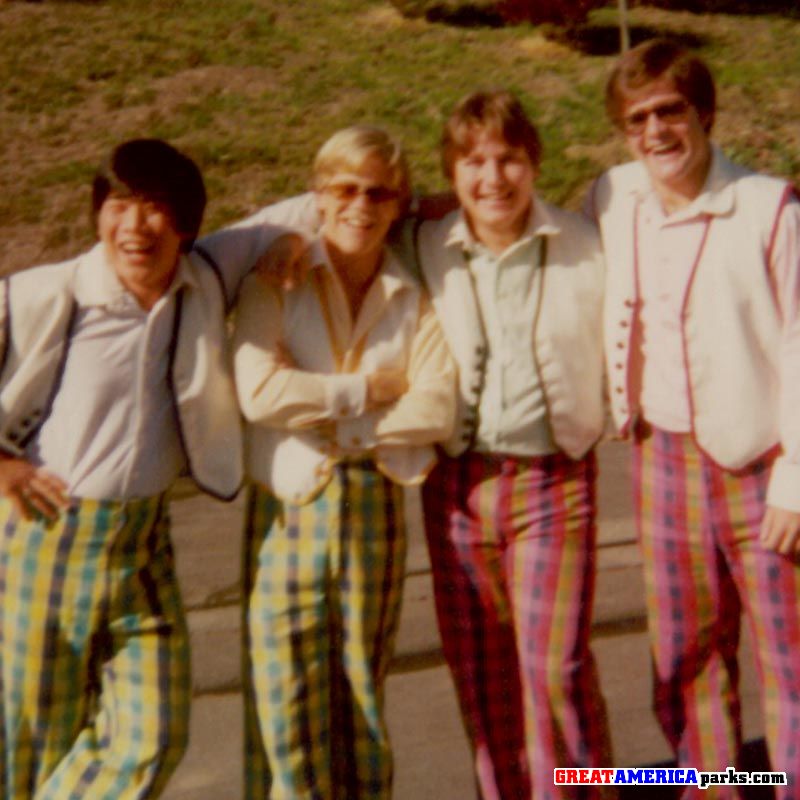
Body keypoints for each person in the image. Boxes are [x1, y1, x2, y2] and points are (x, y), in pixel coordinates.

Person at [0, 138, 282, 800]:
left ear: (185, 223)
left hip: (144, 549)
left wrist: (432, 206)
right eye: (119, 205)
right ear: (98, 214)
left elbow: (299, 211)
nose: (135, 227)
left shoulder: (203, 278)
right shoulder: (45, 294)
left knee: (153, 735)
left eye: (155, 208)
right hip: (48, 539)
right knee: (33, 741)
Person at [587, 38, 800, 794]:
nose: (655, 132)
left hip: (761, 464)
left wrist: (795, 481)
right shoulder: (614, 198)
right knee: (685, 651)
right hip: (660, 460)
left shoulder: (768, 206)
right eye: (637, 119)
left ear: (703, 112)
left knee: (791, 654)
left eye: (669, 111)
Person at [231, 125, 456, 800]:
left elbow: (436, 407)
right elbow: (259, 393)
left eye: (379, 192)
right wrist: (366, 392)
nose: (361, 204)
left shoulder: (414, 294)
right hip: (288, 512)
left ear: (399, 202)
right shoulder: (276, 277)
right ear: (318, 195)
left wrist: (324, 416)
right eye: (345, 189)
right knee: (285, 705)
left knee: (360, 696)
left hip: (373, 510)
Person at [413, 89, 612, 800]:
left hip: (554, 484)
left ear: (534, 164)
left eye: (510, 159)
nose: (492, 178)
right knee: (481, 670)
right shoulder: (423, 243)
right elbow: (334, 208)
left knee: (552, 668)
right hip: (457, 490)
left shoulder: (585, 242)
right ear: (451, 171)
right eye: (473, 162)